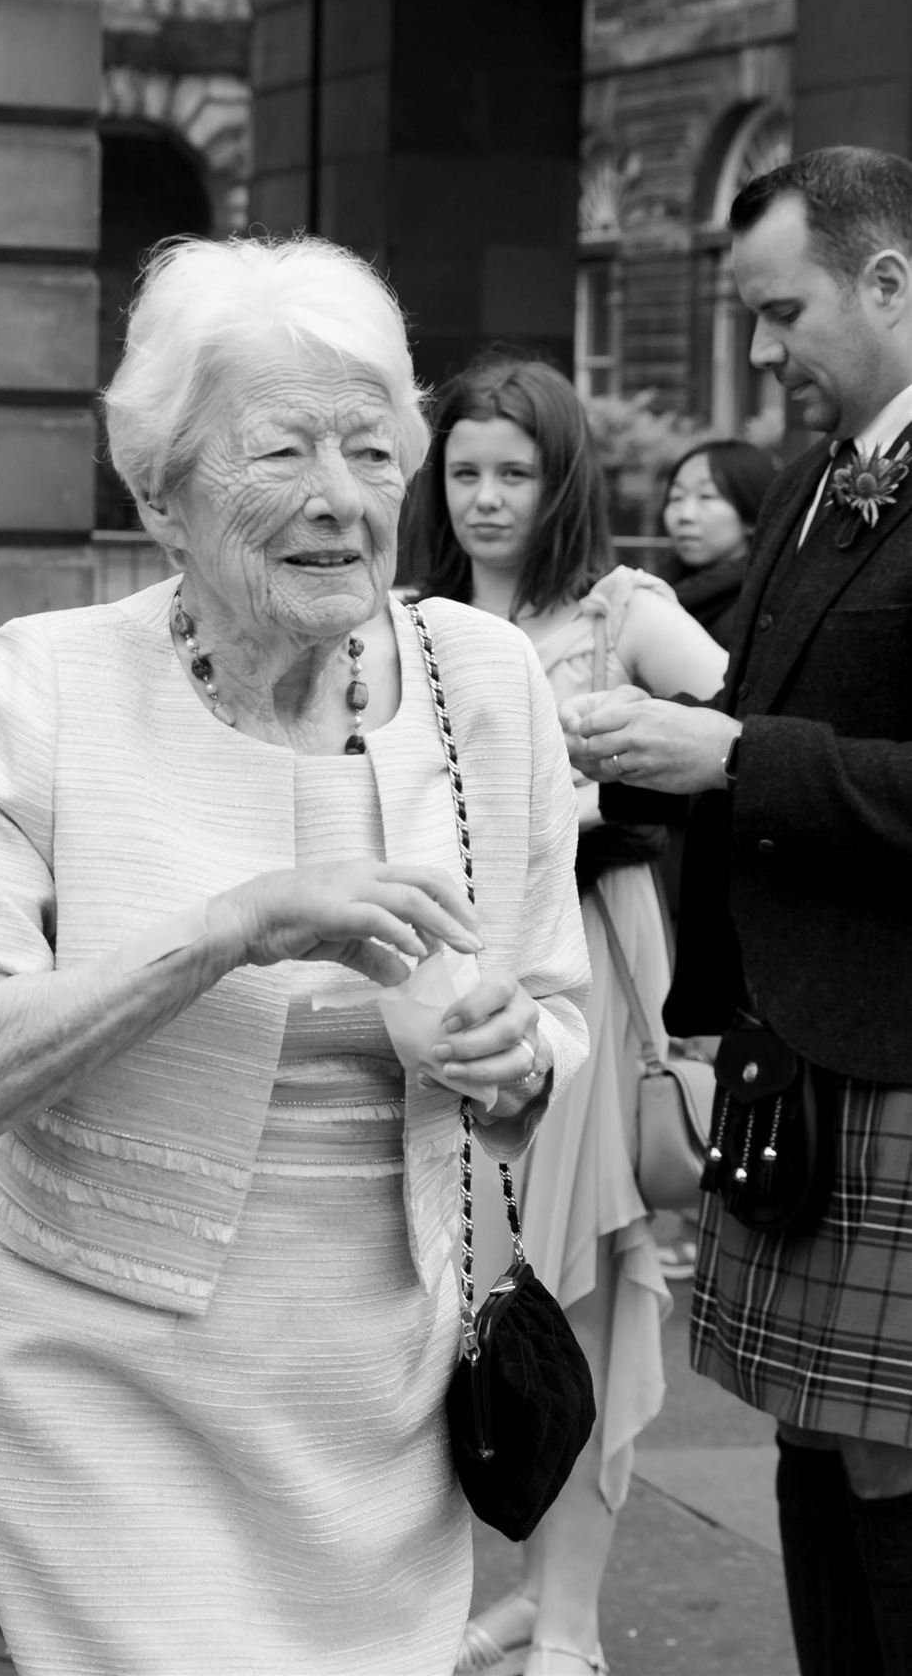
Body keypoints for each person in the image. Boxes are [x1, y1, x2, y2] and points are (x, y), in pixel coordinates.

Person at [0, 234, 592, 1676]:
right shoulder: (51, 684)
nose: (342, 498)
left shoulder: (486, 681)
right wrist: (225, 933)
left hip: (385, 1384)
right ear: (162, 494)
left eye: (373, 452)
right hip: (107, 1379)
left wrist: (512, 1056)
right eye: (281, 451)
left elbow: (556, 1010)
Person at [561, 146, 912, 1676]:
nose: (762, 354)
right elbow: (757, 733)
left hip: (897, 1051)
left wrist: (730, 756)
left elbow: (765, 750)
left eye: (782, 313)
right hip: (798, 1046)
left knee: (891, 1461)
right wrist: (629, 764)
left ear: (887, 281)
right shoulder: (826, 482)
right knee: (815, 1444)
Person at [407, 352, 726, 1676]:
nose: (485, 497)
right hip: (445, 970)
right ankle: (526, 1594)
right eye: (463, 470)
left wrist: (623, 789)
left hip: (588, 954)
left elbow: (743, 732)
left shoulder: (619, 610)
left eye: (514, 472)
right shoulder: (405, 618)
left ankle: (573, 1621)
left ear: (563, 481)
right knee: (458, 1290)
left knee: (577, 1288)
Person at [660, 437, 782, 649]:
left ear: (752, 514)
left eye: (706, 496)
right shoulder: (664, 589)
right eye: (676, 497)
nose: (685, 515)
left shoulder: (764, 608)